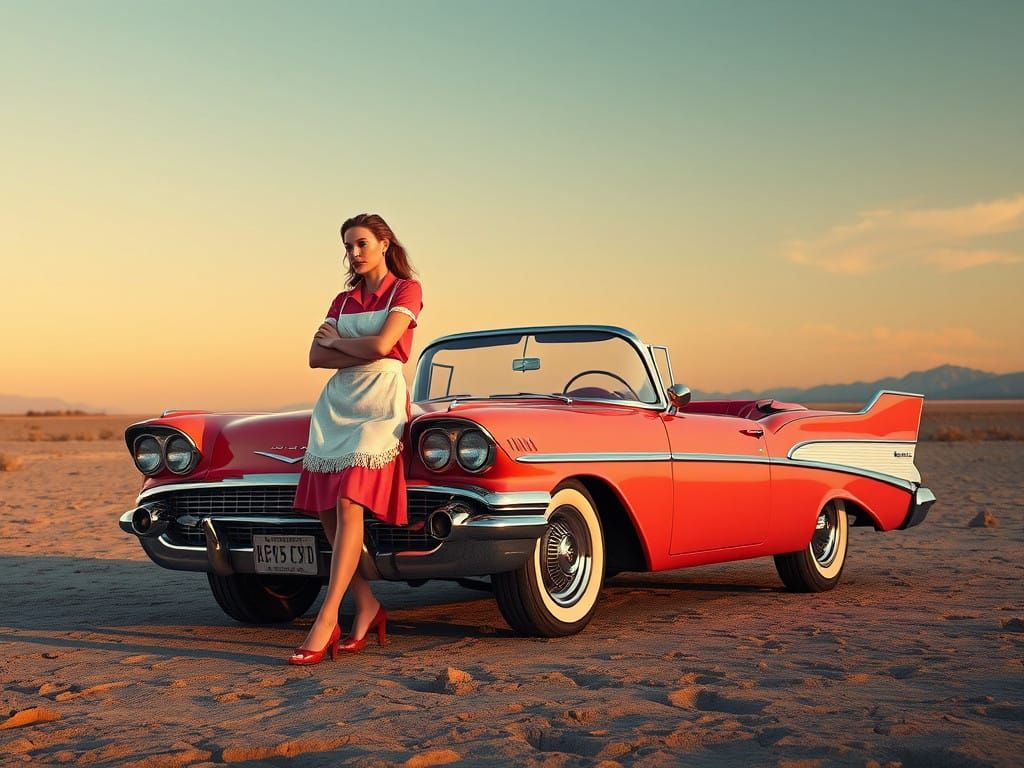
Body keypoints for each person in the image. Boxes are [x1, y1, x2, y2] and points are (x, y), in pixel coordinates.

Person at [288, 213, 423, 665]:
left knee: (349, 503)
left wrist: (341, 345)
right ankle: (367, 605)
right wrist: (355, 347)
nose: (355, 253)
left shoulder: (407, 290)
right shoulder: (342, 301)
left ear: (384, 243)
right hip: (336, 404)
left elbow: (385, 347)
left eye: (362, 243)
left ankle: (327, 618)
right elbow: (312, 357)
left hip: (380, 401)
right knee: (327, 508)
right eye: (348, 246)